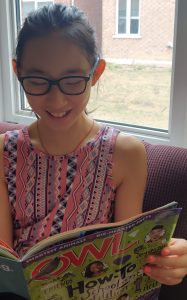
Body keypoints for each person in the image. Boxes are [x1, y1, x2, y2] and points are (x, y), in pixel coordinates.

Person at [0, 3, 186, 298]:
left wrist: (166, 259)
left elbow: (126, 256)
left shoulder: (125, 154)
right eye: (37, 81)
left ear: (96, 72)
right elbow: (5, 256)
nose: (56, 100)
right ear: (17, 71)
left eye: (73, 80)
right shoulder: (3, 152)